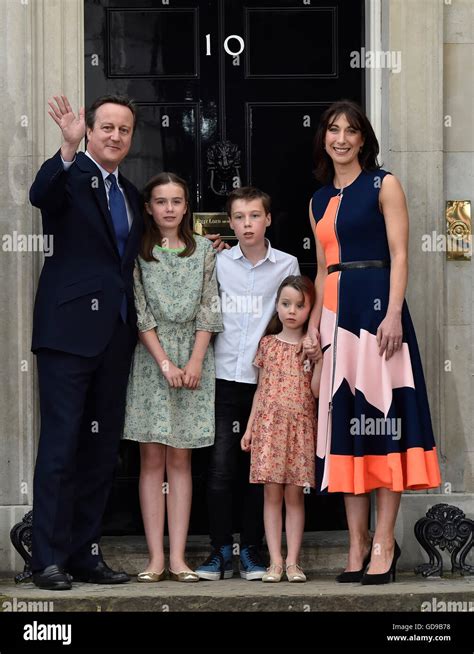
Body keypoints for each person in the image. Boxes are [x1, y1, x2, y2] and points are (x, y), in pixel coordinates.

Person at [305, 99, 442, 584]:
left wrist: (394, 315)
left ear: (363, 139)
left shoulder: (385, 185)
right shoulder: (318, 200)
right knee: (347, 427)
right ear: (324, 138)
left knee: (384, 424)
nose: (341, 138)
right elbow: (322, 271)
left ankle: (384, 541)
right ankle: (357, 542)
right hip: (335, 325)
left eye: (351, 131)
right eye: (333, 130)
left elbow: (402, 255)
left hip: (379, 318)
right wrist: (312, 334)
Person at [30, 94, 143, 589]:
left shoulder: (133, 194)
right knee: (60, 447)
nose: (115, 136)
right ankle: (47, 559)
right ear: (89, 131)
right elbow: (40, 196)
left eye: (124, 129)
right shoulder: (68, 176)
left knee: (102, 451)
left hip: (115, 336)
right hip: (67, 335)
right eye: (107, 128)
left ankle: (85, 553)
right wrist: (67, 149)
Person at [195, 187, 301, 581]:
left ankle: (253, 550)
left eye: (254, 216)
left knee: (263, 470)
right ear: (230, 222)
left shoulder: (287, 265)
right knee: (221, 468)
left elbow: (301, 311)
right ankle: (221, 550)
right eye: (238, 217)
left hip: (269, 384)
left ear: (268, 219)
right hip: (223, 377)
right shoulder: (218, 261)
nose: (246, 224)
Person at [122, 173, 223, 582]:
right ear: (149, 207)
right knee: (151, 458)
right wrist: (164, 362)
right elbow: (140, 312)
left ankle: (179, 558)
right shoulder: (139, 253)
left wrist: (195, 361)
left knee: (181, 458)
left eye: (176, 201)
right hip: (152, 359)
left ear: (186, 207)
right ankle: (154, 559)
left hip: (194, 357)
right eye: (160, 201)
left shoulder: (203, 252)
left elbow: (209, 307)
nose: (168, 208)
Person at [241, 276, 322, 583]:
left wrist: (320, 361)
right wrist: (249, 429)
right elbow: (260, 390)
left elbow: (315, 392)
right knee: (271, 496)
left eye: (300, 306)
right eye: (286, 304)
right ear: (276, 306)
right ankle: (274, 561)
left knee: (295, 497)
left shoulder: (309, 349)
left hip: (299, 429)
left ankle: (293, 562)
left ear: (309, 309)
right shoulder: (268, 345)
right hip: (269, 429)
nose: (292, 311)